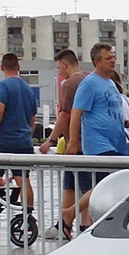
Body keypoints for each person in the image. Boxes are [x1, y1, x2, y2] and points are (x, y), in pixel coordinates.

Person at [68, 43, 129, 232]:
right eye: (108, 58)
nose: (113, 61)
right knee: (104, 184)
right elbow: (76, 112)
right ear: (97, 62)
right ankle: (70, 213)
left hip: (117, 142)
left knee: (118, 184)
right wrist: (73, 141)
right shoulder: (89, 83)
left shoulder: (110, 83)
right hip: (98, 143)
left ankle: (95, 222)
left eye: (113, 57)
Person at [40, 48, 85, 237]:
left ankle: (70, 223)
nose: (60, 72)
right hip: (87, 142)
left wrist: (50, 140)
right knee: (72, 184)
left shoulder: (69, 84)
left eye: (60, 68)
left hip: (76, 144)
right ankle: (65, 223)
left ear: (65, 64)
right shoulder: (87, 80)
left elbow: (65, 115)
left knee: (78, 185)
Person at [0, 53, 37, 214]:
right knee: (23, 180)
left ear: (2, 67)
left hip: (2, 141)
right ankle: (27, 218)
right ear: (18, 68)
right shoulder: (28, 89)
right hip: (24, 142)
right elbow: (32, 118)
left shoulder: (3, 86)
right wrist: (28, 134)